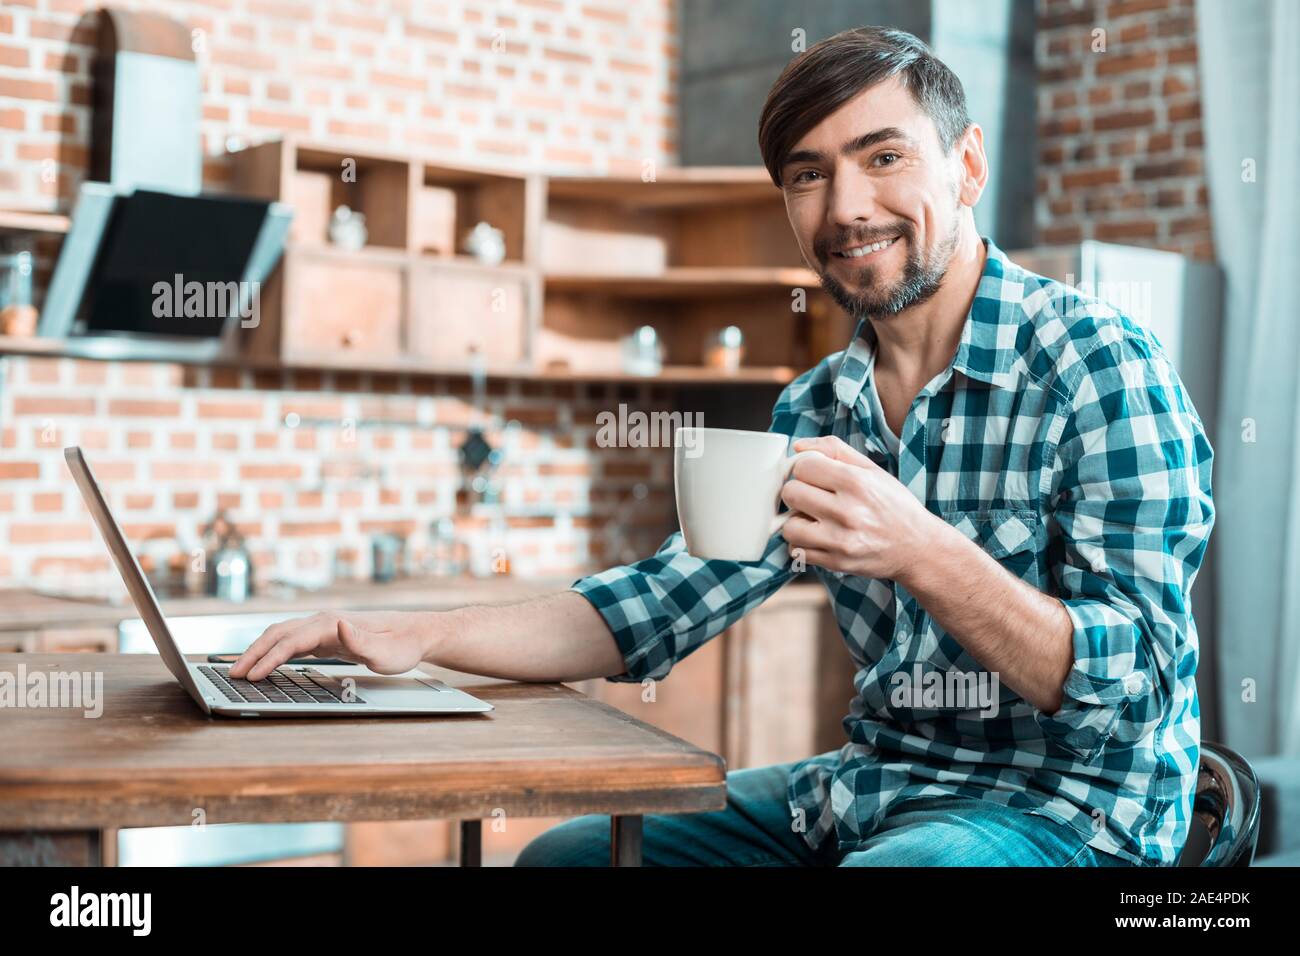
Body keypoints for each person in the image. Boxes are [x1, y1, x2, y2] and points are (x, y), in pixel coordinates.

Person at [230, 27, 1214, 867]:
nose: (844, 209)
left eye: (882, 157)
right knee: (562, 855)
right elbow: (655, 606)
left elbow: (1131, 696)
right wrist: (418, 635)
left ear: (965, 164)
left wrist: (919, 546)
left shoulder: (1097, 361)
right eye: (807, 175)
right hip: (871, 785)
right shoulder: (817, 403)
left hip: (1071, 809)